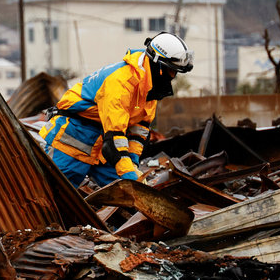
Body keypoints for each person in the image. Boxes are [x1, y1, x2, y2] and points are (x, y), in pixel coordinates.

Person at [40, 32, 193, 188]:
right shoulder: (121, 82)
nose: (173, 76)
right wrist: (132, 178)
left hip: (102, 142)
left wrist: (132, 165)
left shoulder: (150, 88)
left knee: (123, 190)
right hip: (74, 136)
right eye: (171, 70)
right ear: (157, 64)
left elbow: (138, 131)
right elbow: (114, 140)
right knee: (58, 193)